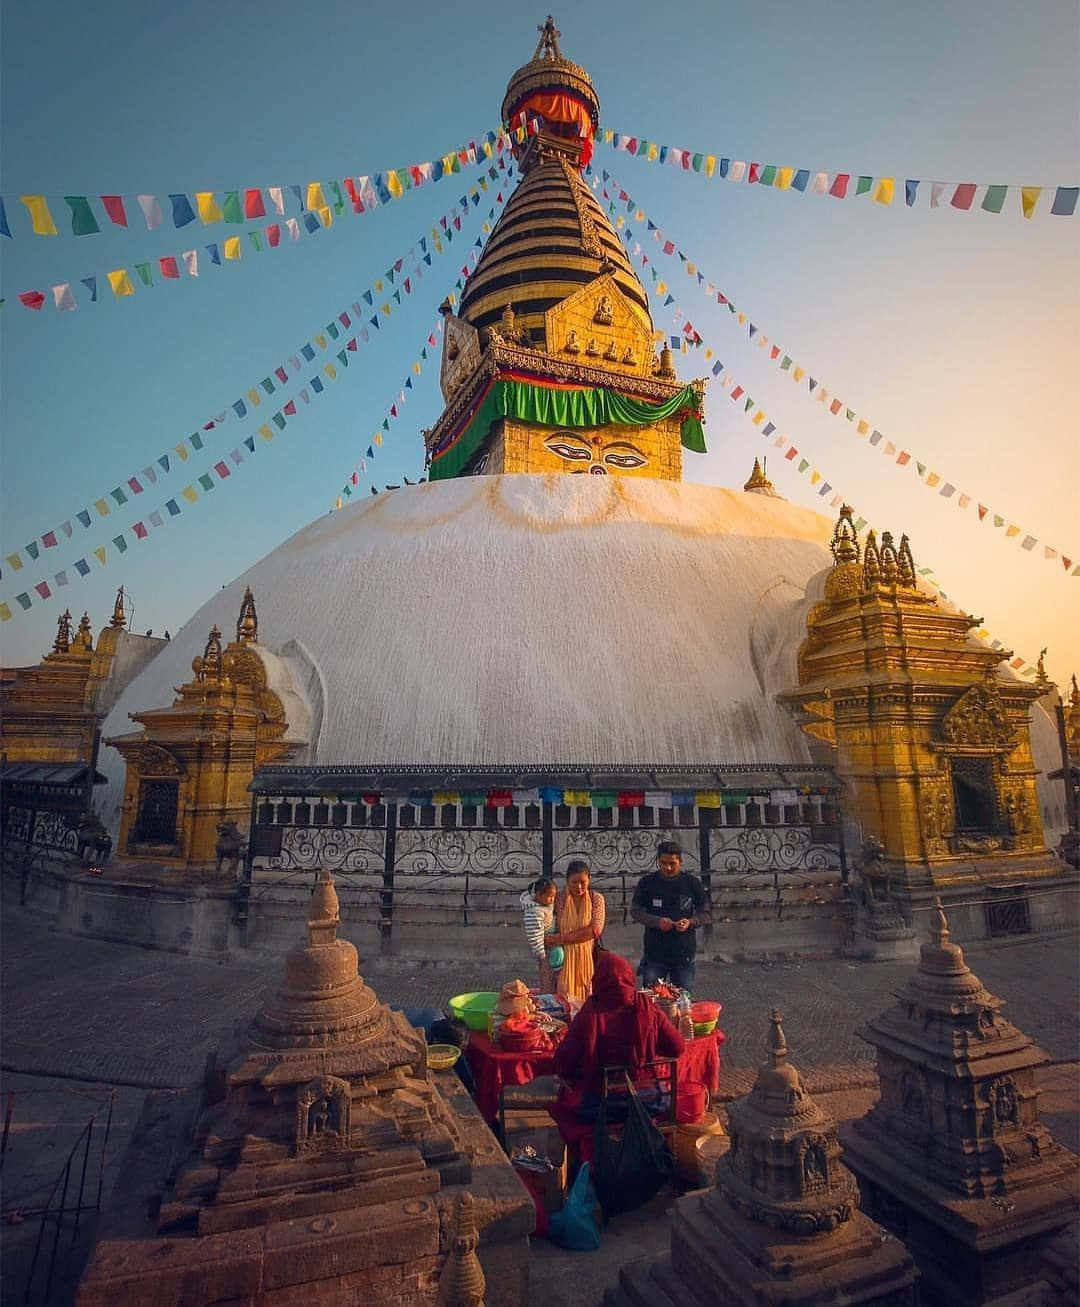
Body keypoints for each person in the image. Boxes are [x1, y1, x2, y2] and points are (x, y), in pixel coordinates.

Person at [553, 951, 685, 1099]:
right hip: (647, 1098)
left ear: (599, 979)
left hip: (600, 1105)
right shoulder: (646, 1007)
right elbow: (677, 1047)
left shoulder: (590, 1012)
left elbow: (565, 1060)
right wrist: (647, 1047)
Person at [631, 840, 711, 993]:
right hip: (654, 954)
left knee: (682, 1000)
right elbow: (635, 911)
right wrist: (657, 922)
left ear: (680, 862)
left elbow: (706, 913)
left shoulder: (692, 883)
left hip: (684, 954)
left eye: (672, 863)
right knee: (651, 1000)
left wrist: (691, 922)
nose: (667, 867)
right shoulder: (647, 882)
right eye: (663, 863)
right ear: (658, 862)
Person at [549, 860, 606, 1002]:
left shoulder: (596, 899)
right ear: (567, 881)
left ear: (589, 879)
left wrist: (560, 938)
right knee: (563, 1002)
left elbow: (594, 930)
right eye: (574, 882)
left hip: (588, 960)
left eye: (583, 882)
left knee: (587, 1001)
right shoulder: (558, 899)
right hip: (562, 962)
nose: (579, 887)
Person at [519, 877, 564, 991]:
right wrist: (541, 954)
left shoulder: (544, 904)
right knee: (557, 956)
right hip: (544, 945)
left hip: (551, 938)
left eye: (554, 896)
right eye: (550, 896)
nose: (552, 900)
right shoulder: (534, 913)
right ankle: (557, 975)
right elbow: (534, 935)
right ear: (538, 895)